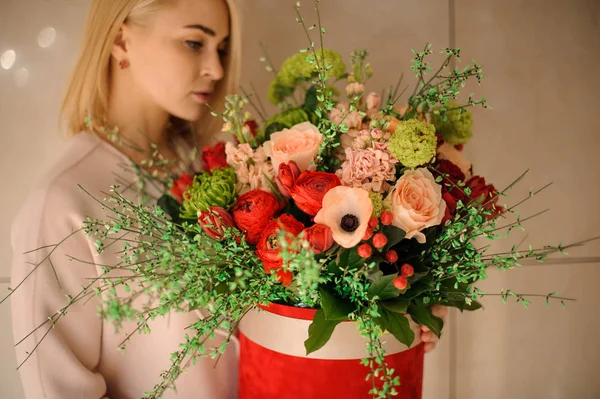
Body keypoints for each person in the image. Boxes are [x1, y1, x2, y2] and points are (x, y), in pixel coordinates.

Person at [9, 0, 444, 397]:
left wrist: (397, 313)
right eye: (194, 42)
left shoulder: (217, 168)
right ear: (122, 39)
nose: (216, 69)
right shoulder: (63, 203)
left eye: (221, 48)